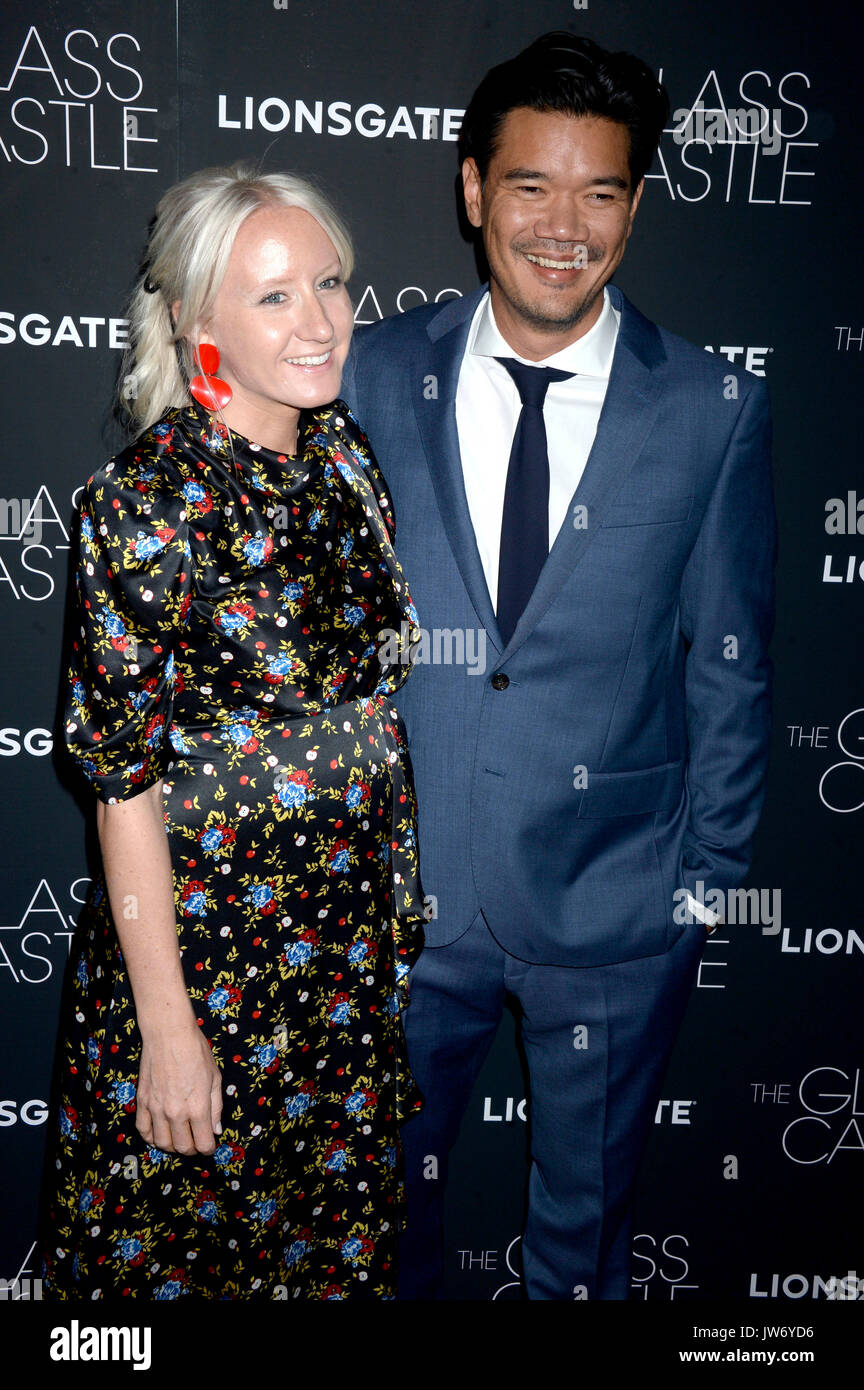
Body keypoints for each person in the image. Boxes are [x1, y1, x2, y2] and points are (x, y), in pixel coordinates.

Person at [340, 31, 776, 1300]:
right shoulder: (369, 371)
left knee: (586, 1253)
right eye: (531, 185)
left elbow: (733, 664)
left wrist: (699, 891)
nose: (563, 226)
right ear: (474, 189)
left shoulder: (708, 405)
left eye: (601, 192)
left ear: (636, 207)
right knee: (377, 1227)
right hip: (400, 906)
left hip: (616, 908)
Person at [39, 163, 426, 1300]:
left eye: (331, 283)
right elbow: (122, 784)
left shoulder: (346, 458)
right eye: (273, 297)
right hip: (210, 966)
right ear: (192, 318)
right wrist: (166, 1026)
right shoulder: (146, 503)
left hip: (344, 968)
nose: (320, 322)